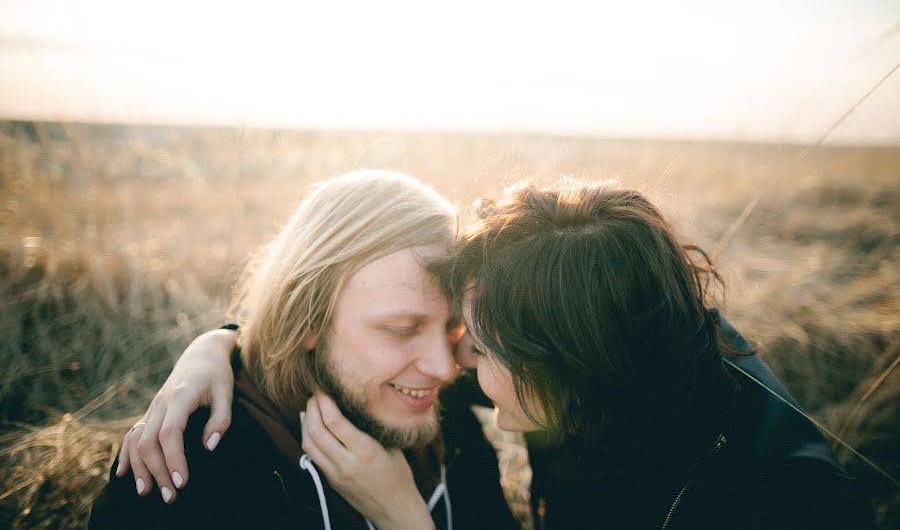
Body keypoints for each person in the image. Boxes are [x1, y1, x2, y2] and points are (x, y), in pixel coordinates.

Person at [114, 178, 874, 529]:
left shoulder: (785, 503)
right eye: (449, 337)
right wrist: (223, 342)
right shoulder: (187, 478)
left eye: (471, 346)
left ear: (572, 363)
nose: (452, 373)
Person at [88, 170, 518, 530]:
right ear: (306, 317)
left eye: (453, 327)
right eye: (402, 329)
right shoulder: (188, 472)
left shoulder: (446, 419)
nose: (445, 368)